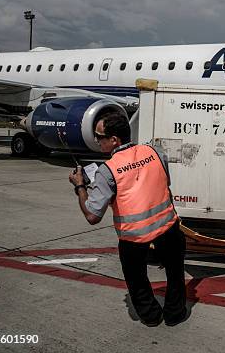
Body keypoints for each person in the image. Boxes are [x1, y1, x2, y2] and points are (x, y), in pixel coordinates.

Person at [68, 112, 187, 327]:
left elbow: (92, 216)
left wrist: (80, 186)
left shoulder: (108, 170)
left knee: (137, 279)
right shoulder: (154, 152)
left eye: (99, 136)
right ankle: (175, 314)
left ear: (114, 140)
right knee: (175, 272)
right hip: (168, 226)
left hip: (134, 236)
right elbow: (162, 183)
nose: (97, 140)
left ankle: (151, 316)